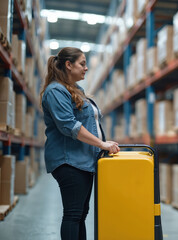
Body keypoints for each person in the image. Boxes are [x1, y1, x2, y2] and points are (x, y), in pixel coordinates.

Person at [40, 47, 120, 240]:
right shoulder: (55, 91)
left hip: (83, 161)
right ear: (68, 65)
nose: (85, 68)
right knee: (73, 214)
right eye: (82, 64)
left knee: (80, 215)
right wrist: (101, 144)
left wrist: (102, 143)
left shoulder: (76, 90)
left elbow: (87, 123)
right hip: (69, 162)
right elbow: (69, 125)